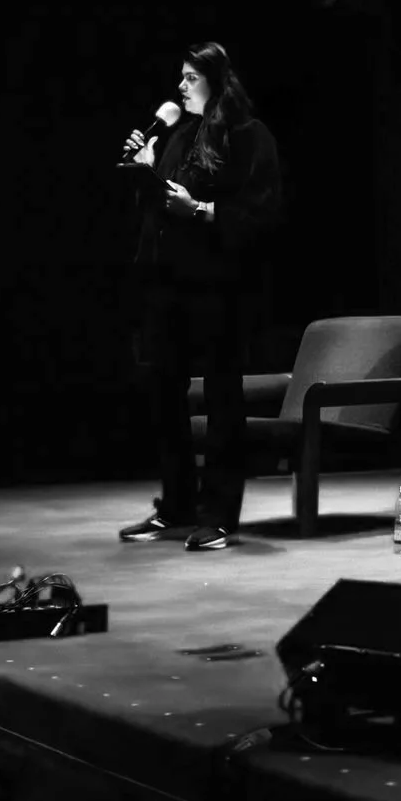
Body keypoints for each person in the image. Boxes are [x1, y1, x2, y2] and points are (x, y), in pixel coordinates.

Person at [116, 42, 284, 552]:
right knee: (163, 392)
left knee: (221, 398)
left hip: (219, 286)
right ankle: (177, 505)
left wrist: (202, 210)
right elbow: (161, 207)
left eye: (191, 77)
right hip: (167, 283)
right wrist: (146, 168)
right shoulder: (180, 135)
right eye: (181, 77)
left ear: (216, 80)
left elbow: (261, 215)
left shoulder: (248, 135)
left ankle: (218, 514)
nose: (182, 86)